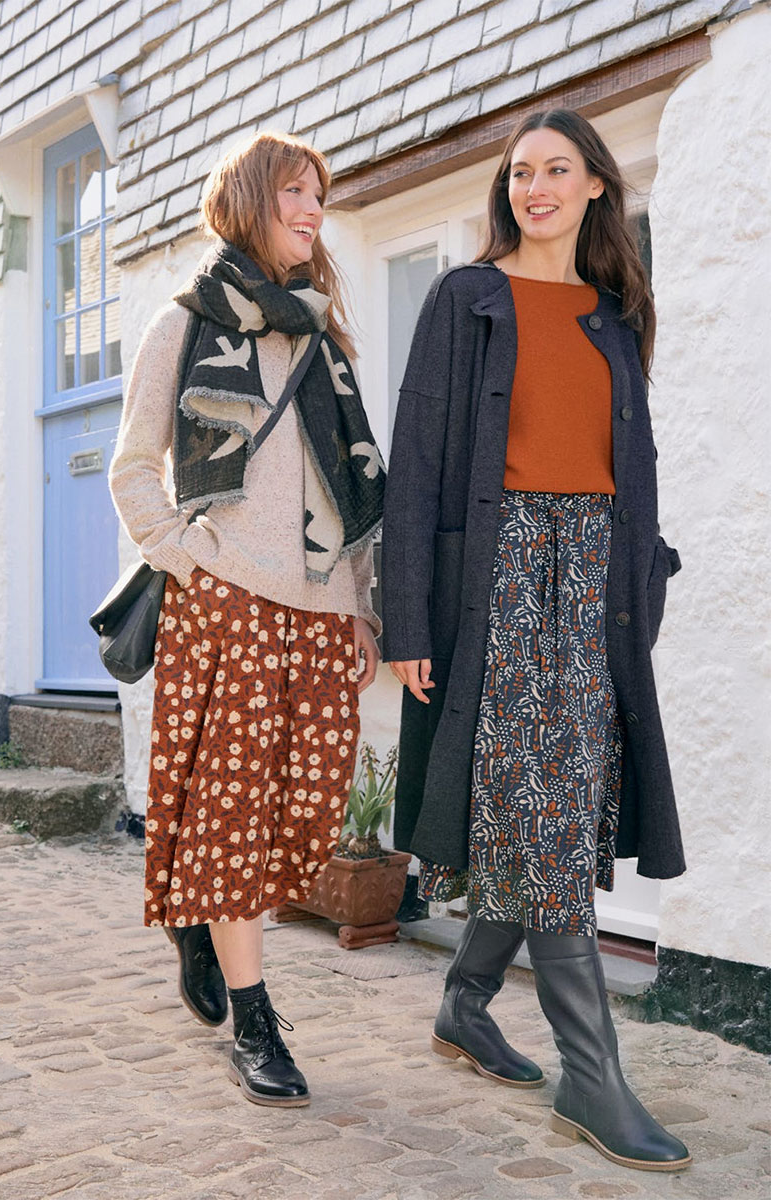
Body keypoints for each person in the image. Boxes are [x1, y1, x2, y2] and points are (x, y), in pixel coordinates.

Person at [381, 109, 690, 1172]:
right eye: (520, 172)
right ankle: (591, 1079)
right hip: (500, 573)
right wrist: (407, 616)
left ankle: (465, 1001)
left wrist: (641, 579)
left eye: (557, 169)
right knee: (544, 810)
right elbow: (416, 461)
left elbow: (632, 464)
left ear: (596, 184)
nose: (535, 187)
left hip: (593, 580)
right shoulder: (465, 297)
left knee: (552, 798)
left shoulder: (616, 313)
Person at [109, 131, 384, 1107]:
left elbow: (349, 485)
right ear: (248, 204)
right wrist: (192, 561)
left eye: (319, 196)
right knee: (231, 815)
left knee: (305, 813)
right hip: (226, 603)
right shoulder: (186, 324)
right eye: (293, 194)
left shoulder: (322, 338)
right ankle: (254, 1020)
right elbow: (133, 469)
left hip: (320, 612)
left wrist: (358, 609)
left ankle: (199, 913)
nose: (313, 211)